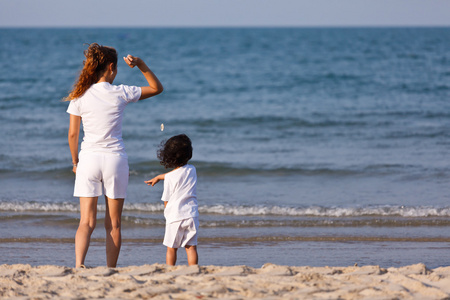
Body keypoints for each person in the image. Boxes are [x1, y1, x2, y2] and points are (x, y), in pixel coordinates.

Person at [66, 43, 163, 268]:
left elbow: (73, 134)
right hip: (115, 159)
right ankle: (110, 269)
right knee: (114, 224)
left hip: (89, 160)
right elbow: (156, 88)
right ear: (111, 68)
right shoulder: (121, 92)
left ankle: (79, 265)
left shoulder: (79, 94)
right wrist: (140, 64)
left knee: (86, 222)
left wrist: (75, 162)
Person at [145, 134, 199, 266]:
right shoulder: (192, 170)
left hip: (175, 216)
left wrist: (167, 214)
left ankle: (170, 270)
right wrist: (160, 177)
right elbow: (179, 174)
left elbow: (166, 199)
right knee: (191, 247)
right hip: (191, 215)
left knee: (171, 248)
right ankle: (194, 270)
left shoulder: (169, 178)